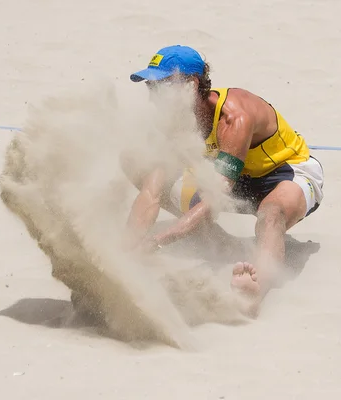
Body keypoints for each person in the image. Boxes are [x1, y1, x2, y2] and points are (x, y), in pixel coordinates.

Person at [121, 45, 324, 309]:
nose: (153, 97)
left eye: (161, 86)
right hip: (235, 183)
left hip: (284, 175)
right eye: (151, 87)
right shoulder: (173, 122)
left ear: (191, 85)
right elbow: (152, 192)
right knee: (137, 165)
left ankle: (254, 291)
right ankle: (223, 245)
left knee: (271, 216)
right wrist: (126, 250)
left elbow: (215, 199)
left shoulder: (234, 117)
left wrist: (160, 240)